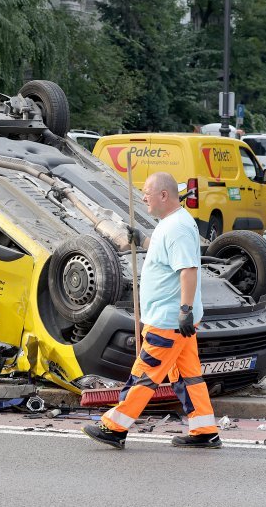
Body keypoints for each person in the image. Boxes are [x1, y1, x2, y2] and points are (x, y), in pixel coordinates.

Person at [83, 171, 221, 450]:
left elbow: (188, 271)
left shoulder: (177, 227)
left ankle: (114, 426)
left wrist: (184, 310)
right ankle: (205, 431)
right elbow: (167, 254)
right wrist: (144, 240)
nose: (143, 196)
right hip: (172, 319)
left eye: (147, 191)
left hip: (169, 320)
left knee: (145, 374)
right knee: (187, 376)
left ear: (164, 195)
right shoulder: (170, 224)